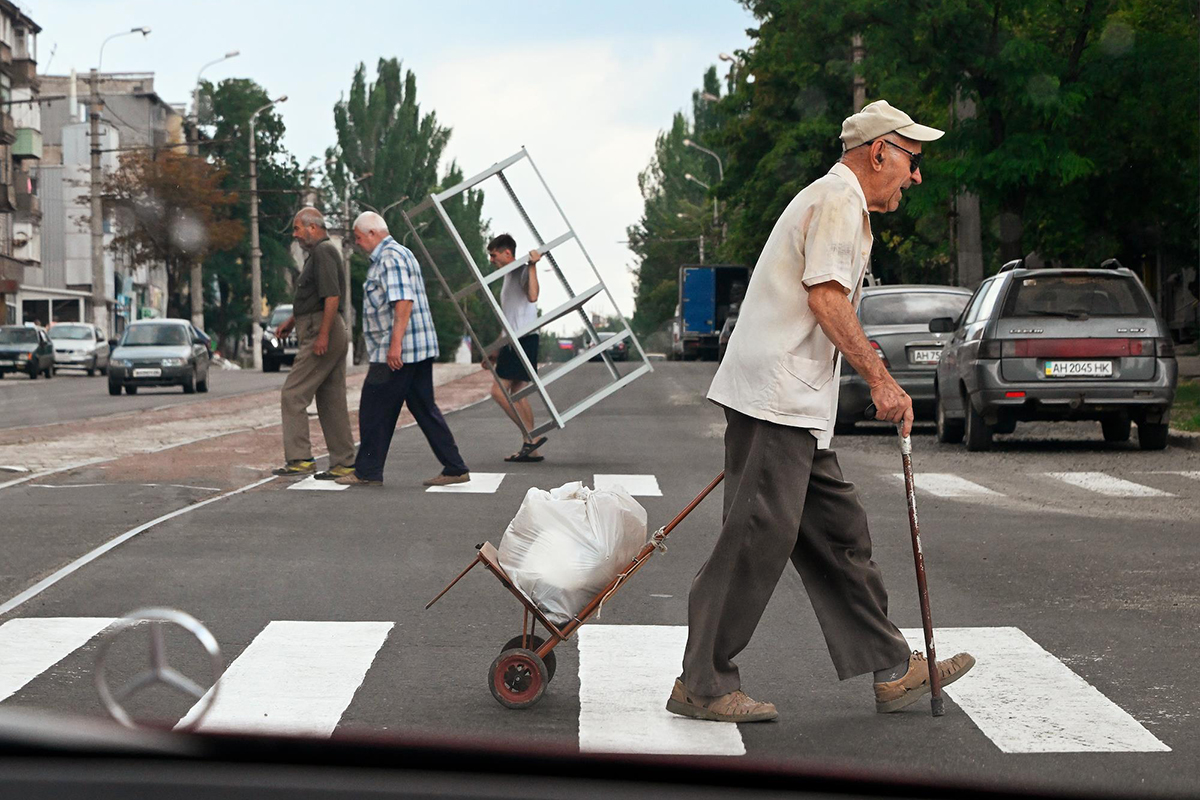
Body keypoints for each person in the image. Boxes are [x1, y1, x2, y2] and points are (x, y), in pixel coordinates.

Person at [667, 101, 975, 723]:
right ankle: (701, 682)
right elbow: (828, 300)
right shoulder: (839, 200)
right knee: (755, 539)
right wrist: (882, 382)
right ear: (880, 151)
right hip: (776, 400)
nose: (916, 177)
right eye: (912, 160)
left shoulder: (845, 205)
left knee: (839, 535)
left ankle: (892, 666)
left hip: (797, 402)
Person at [336, 211, 470, 488]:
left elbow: (403, 301)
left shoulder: (389, 257)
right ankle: (455, 467)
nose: (358, 244)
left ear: (372, 233)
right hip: (414, 348)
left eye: (359, 238)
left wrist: (395, 344)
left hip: (400, 350)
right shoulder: (401, 253)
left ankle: (367, 471)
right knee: (423, 407)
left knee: (373, 408)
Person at [271, 208, 356, 480]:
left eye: (297, 229)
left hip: (323, 329)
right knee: (331, 399)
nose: (295, 235)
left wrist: (323, 335)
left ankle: (300, 459)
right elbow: (315, 297)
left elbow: (331, 296)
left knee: (293, 394)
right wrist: (292, 321)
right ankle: (344, 462)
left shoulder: (323, 252)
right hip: (322, 326)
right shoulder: (319, 254)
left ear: (312, 227)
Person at [481, 233, 546, 462]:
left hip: (523, 338)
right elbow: (509, 316)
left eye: (494, 254)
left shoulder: (520, 270)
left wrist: (533, 266)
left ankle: (531, 437)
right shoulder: (508, 275)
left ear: (507, 253)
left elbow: (533, 295)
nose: (491, 259)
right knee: (518, 393)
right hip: (513, 340)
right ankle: (532, 447)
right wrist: (497, 349)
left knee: (497, 392)